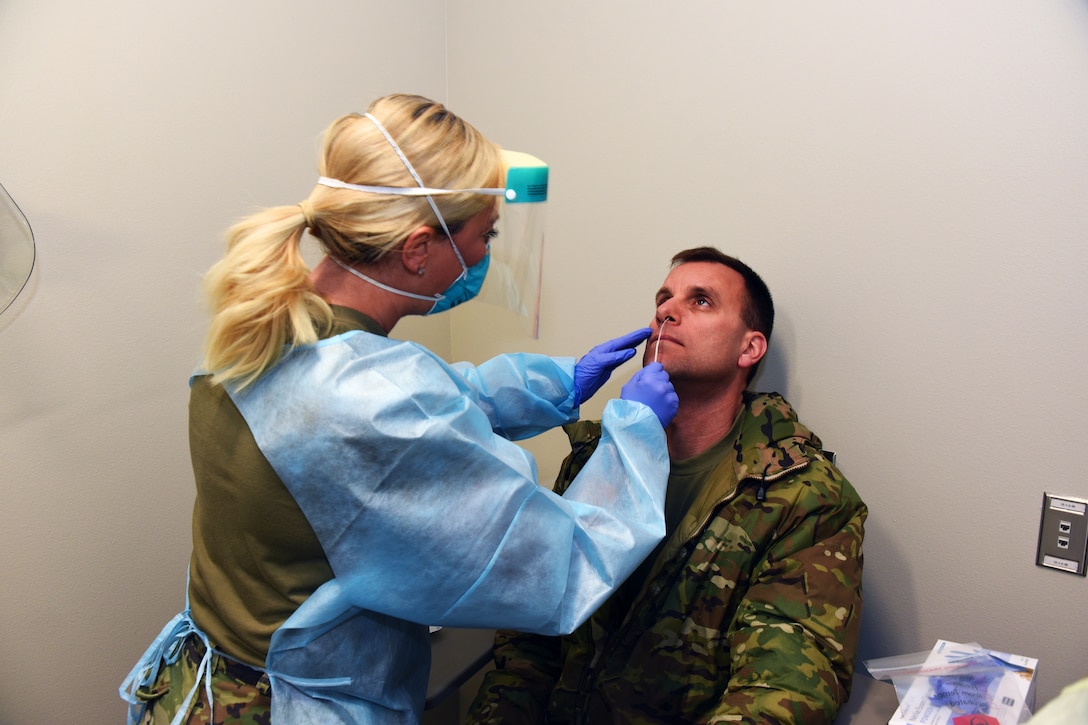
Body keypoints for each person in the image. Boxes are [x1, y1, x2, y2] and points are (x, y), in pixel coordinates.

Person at [119, 93, 680, 725]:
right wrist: (635, 434)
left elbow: (427, 405)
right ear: (417, 249)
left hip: (200, 687)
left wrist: (562, 382)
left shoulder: (266, 327)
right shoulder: (368, 402)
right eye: (483, 235)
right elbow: (564, 563)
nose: (482, 257)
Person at [468, 246, 868, 724]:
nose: (665, 311)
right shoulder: (600, 455)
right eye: (664, 298)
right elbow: (531, 636)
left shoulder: (804, 498)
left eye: (700, 301)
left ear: (750, 348)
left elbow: (781, 689)